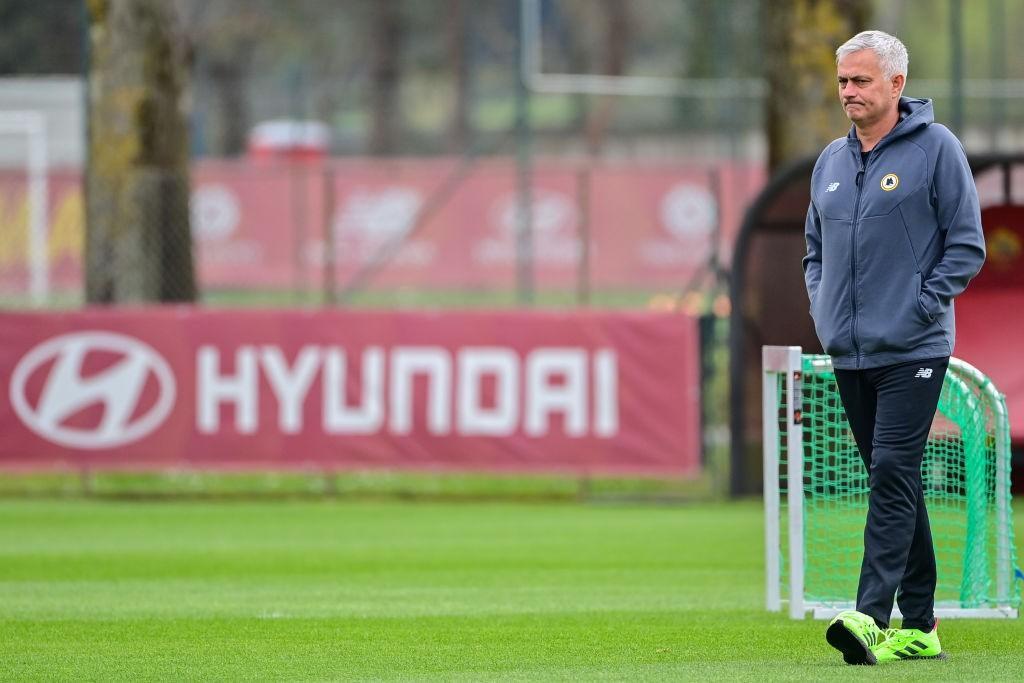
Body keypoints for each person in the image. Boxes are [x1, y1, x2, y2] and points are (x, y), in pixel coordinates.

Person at [802, 30, 986, 665]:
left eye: (861, 80)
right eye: (843, 80)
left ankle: (870, 616)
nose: (848, 91)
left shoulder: (938, 150)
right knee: (896, 479)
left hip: (914, 348)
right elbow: (814, 253)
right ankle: (923, 625)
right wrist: (824, 310)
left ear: (896, 85)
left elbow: (967, 245)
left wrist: (922, 306)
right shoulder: (829, 160)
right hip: (850, 351)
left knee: (890, 472)